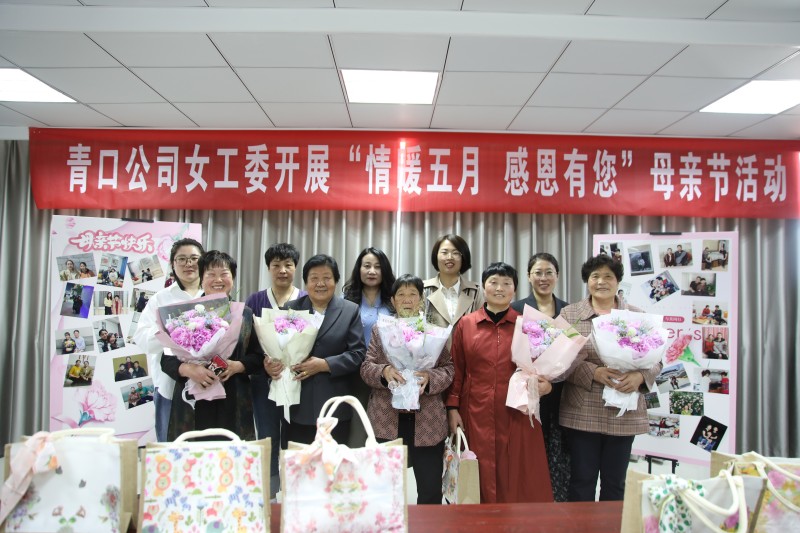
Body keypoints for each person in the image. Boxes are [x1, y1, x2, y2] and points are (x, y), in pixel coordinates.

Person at [446, 262, 553, 503]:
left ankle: (513, 522)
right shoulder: (466, 324)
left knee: (516, 473)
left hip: (516, 411)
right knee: (477, 471)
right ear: (483, 287)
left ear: (514, 289)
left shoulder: (528, 326)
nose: (499, 288)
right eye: (493, 282)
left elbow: (542, 367)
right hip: (475, 411)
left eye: (506, 283)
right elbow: (457, 369)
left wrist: (546, 384)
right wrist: (452, 407)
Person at [558, 254, 663, 502]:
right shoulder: (570, 315)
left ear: (618, 282)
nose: (601, 282)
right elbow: (558, 358)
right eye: (595, 276)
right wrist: (593, 372)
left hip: (623, 411)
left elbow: (657, 360)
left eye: (608, 276)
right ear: (587, 281)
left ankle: (612, 523)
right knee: (581, 481)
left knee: (615, 484)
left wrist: (640, 376)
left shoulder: (637, 316)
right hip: (583, 409)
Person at [361, 274, 454, 504]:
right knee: (384, 490)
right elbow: (366, 367)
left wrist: (430, 378)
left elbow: (449, 368)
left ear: (421, 299)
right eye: (401, 294)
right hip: (386, 418)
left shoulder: (434, 331)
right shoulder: (381, 329)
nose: (407, 299)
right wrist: (384, 371)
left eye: (413, 294)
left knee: (430, 489)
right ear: (393, 300)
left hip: (427, 421)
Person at [161, 250, 264, 441]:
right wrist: (189, 369)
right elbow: (166, 359)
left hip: (233, 399)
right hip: (193, 400)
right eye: (210, 274)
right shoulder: (184, 313)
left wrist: (238, 366)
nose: (218, 280)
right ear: (201, 279)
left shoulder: (245, 314)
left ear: (232, 278)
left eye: (224, 274)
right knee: (193, 455)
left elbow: (258, 357)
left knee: (232, 454)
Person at [265, 254, 366, 447]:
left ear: (335, 281)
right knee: (297, 460)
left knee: (334, 463)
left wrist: (324, 364)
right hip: (297, 404)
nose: (320, 283)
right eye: (314, 278)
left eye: (327, 278)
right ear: (306, 282)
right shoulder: (290, 309)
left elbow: (358, 354)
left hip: (334, 406)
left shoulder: (349, 310)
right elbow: (277, 347)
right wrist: (270, 363)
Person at [244, 242, 306, 497]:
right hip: (263, 381)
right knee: (267, 436)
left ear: (295, 267)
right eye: (276, 265)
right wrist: (264, 363)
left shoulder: (305, 299)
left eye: (288, 265)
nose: (282, 270)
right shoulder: (255, 300)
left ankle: (296, 493)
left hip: (298, 381)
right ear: (268, 268)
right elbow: (247, 344)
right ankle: (268, 494)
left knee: (296, 437)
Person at [510, 252, 570, 502]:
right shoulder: (516, 309)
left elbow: (575, 352)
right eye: (538, 273)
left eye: (549, 273)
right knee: (528, 459)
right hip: (526, 397)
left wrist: (552, 382)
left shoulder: (569, 310)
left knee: (560, 459)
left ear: (557, 276)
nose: (543, 278)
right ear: (528, 276)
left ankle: (557, 510)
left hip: (561, 397)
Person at [133, 238, 205, 442]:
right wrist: (174, 330)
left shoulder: (213, 295)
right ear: (173, 264)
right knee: (170, 447)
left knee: (207, 447)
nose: (188, 264)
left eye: (194, 258)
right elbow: (141, 338)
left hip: (209, 382)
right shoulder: (160, 299)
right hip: (169, 385)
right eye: (181, 259)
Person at [343, 247, 396, 448]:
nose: (372, 271)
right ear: (359, 269)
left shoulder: (393, 301)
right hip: (355, 373)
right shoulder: (347, 301)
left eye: (377, 267)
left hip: (387, 375)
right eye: (367, 266)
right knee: (357, 430)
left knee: (384, 432)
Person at [423, 234, 484, 333]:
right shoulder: (423, 289)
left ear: (463, 257)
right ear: (436, 256)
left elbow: (482, 328)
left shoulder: (476, 292)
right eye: (444, 252)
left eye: (455, 253)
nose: (450, 257)